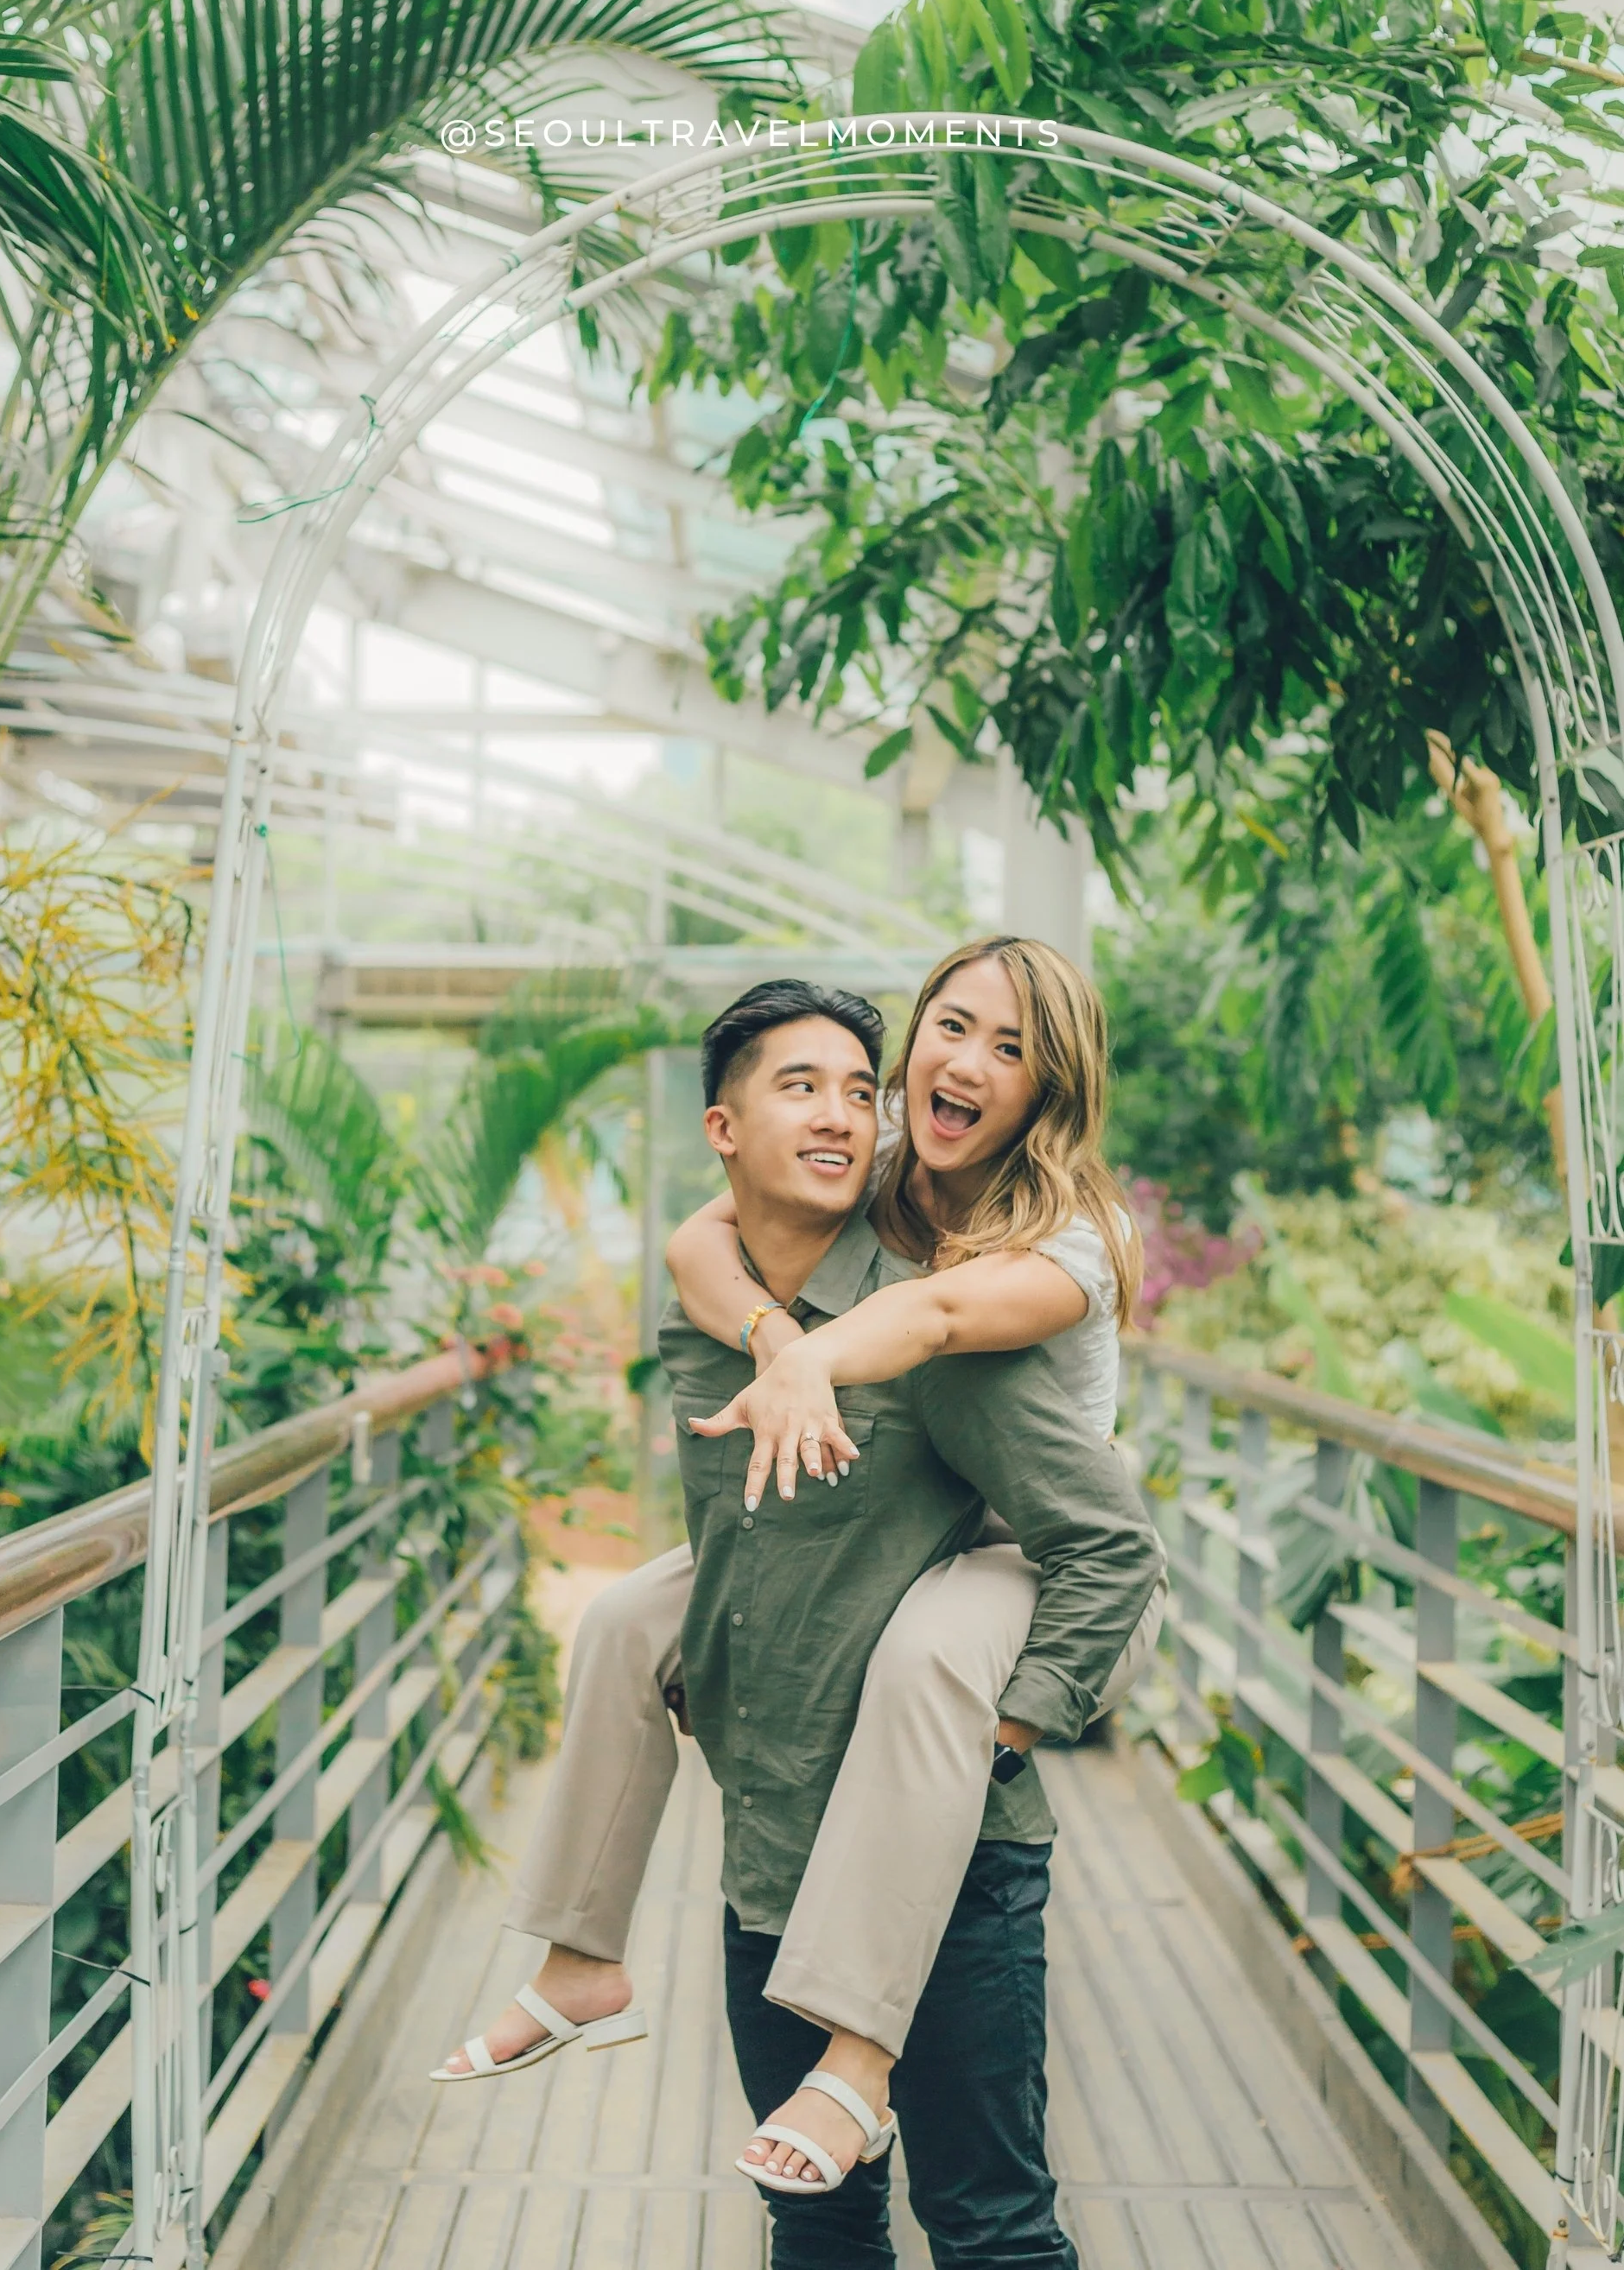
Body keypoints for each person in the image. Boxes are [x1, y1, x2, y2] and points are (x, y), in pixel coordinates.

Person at [434, 956, 1163, 2254]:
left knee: (929, 1662)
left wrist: (1010, 1737)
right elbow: (698, 1238)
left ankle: (859, 2058)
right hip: (881, 1524)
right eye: (951, 1029)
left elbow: (937, 1323)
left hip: (1033, 1563)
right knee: (622, 1622)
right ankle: (578, 1955)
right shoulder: (867, 1191)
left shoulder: (1068, 1237)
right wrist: (779, 1343)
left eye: (1011, 1048)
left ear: (1050, 1083)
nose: (969, 1063)